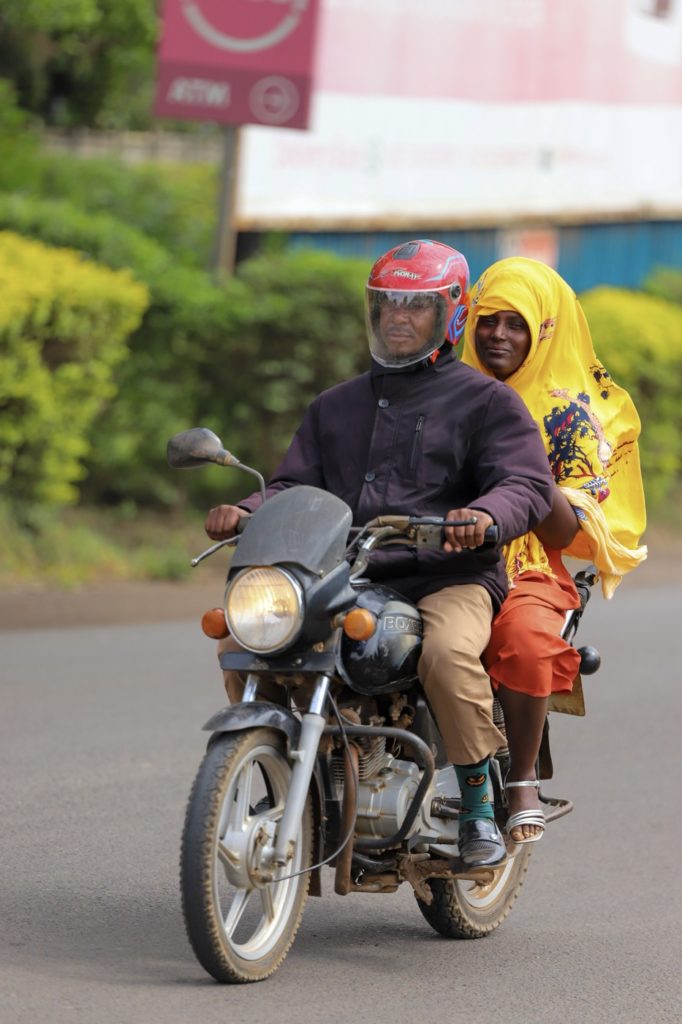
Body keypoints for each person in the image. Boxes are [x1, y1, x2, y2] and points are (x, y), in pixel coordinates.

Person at [205, 240, 554, 869]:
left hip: (447, 576)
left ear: (451, 314)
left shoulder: (487, 403)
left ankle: (477, 802)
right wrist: (249, 511)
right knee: (253, 635)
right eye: (387, 303)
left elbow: (525, 484)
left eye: (415, 306)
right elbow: (292, 484)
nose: (398, 316)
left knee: (447, 655)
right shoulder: (335, 405)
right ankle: (285, 775)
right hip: (349, 572)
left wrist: (484, 517)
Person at [461, 256, 647, 844]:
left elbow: (564, 532)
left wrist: (518, 462)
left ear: (543, 331)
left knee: (526, 644)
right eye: (488, 320)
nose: (498, 335)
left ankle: (519, 781)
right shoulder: (439, 389)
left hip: (526, 567)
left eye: (516, 324)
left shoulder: (565, 415)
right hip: (427, 559)